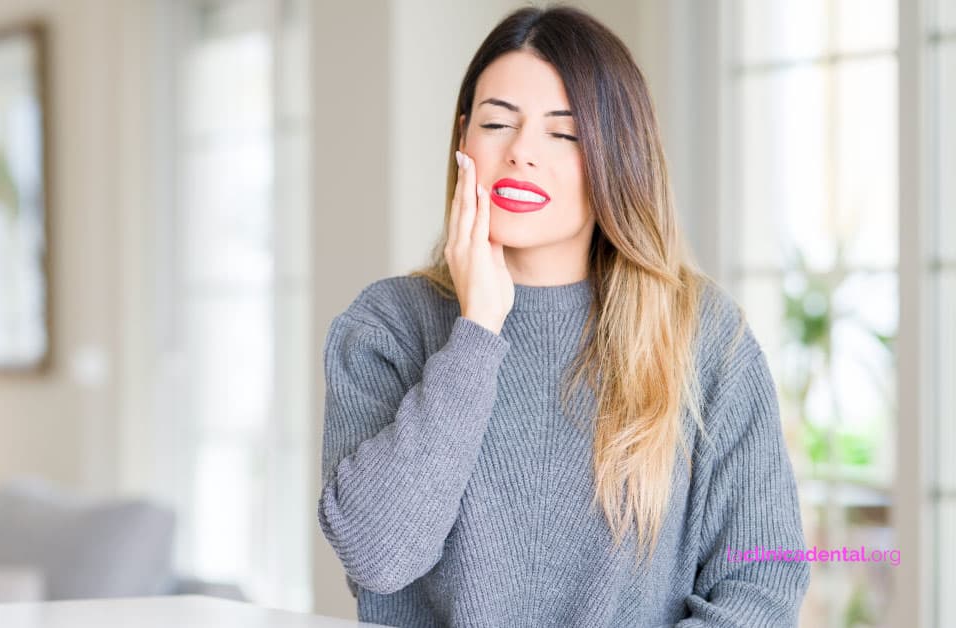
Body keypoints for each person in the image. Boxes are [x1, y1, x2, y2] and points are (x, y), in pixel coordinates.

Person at [316, 4, 810, 627]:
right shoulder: (388, 325)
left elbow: (761, 581)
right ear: (463, 139)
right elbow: (376, 557)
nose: (522, 153)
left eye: (565, 132)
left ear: (616, 155)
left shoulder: (704, 334)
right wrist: (477, 334)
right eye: (498, 123)